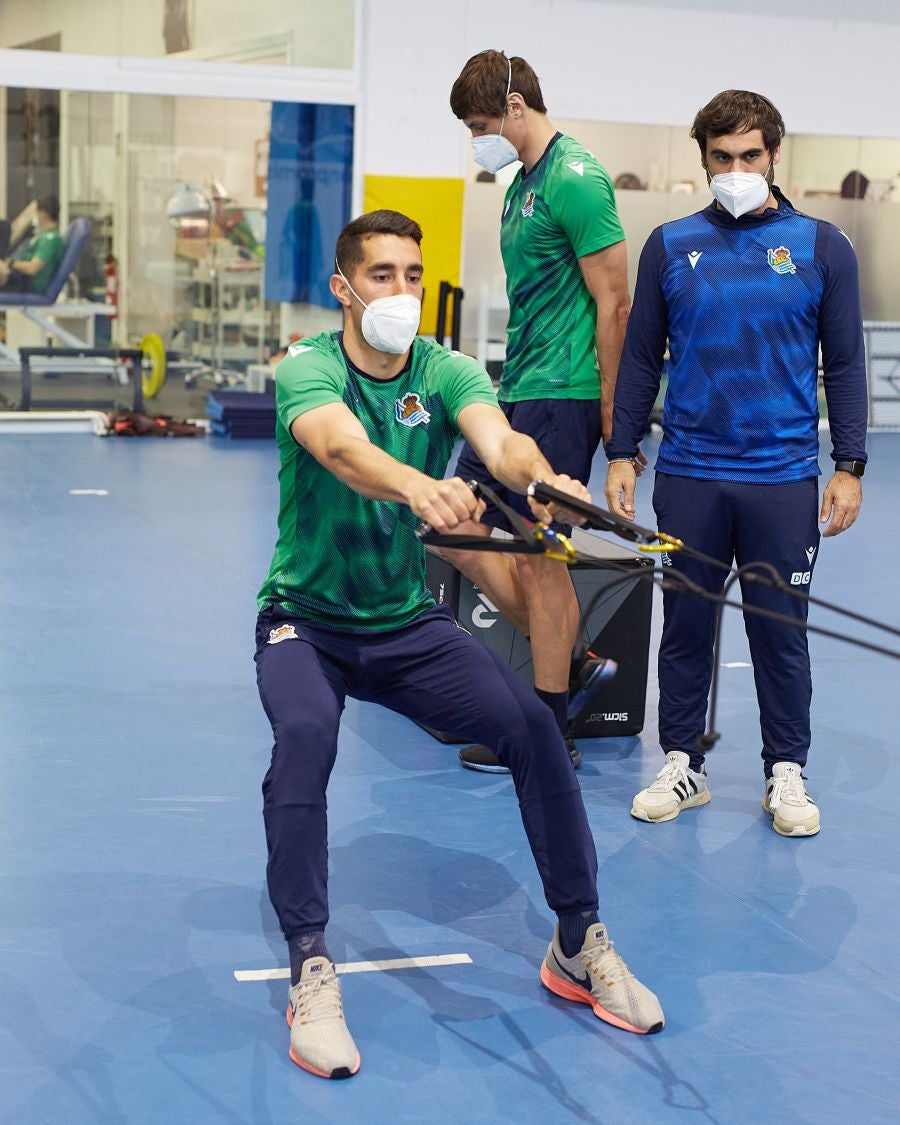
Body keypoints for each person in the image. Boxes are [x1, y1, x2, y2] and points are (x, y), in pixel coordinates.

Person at [255, 209, 664, 1080]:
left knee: (531, 726)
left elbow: (499, 437)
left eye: (411, 275)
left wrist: (538, 475)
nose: (400, 292)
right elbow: (340, 447)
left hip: (403, 623)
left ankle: (577, 941)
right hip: (308, 619)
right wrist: (418, 488)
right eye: (381, 276)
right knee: (304, 739)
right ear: (343, 288)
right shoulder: (309, 369)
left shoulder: (445, 367)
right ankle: (309, 966)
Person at [605, 90, 868, 837]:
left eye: (749, 155)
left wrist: (849, 464)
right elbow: (638, 361)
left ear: (773, 155)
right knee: (686, 625)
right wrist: (623, 450)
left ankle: (786, 771)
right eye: (721, 157)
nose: (736, 169)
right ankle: (683, 759)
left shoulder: (823, 247)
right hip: (689, 472)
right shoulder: (670, 242)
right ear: (704, 161)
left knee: (780, 631)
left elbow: (845, 364)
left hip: (783, 479)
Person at [445, 50, 636, 774]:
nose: (477, 140)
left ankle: (550, 730)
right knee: (451, 525)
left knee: (538, 555)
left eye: (481, 125)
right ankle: (576, 660)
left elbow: (615, 301)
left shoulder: (577, 178)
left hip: (564, 393)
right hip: (515, 389)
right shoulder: (521, 184)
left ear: (516, 107)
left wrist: (616, 416)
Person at [0, 195, 63, 293]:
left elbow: (32, 269)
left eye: (36, 211)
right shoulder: (42, 235)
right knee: (4, 226)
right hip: (18, 278)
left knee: (4, 226)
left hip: (26, 284)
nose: (34, 215)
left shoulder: (50, 239)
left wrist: (9, 263)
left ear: (43, 213)